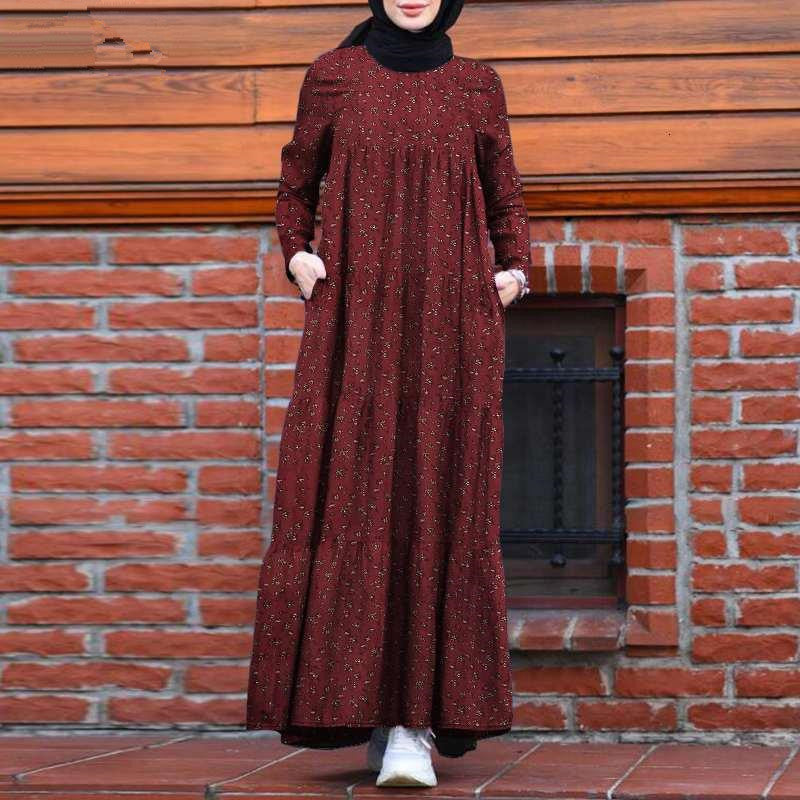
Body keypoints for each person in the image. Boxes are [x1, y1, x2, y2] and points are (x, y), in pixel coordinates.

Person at [246, 0, 532, 787]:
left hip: (452, 316)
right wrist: (297, 255)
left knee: (438, 498)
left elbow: (504, 192)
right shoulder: (333, 77)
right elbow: (295, 184)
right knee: (358, 495)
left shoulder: (476, 84)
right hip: (355, 318)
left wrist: (515, 268)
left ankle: (414, 725)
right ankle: (368, 709)